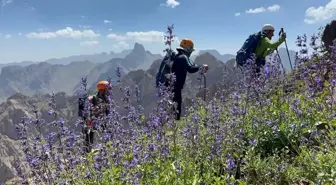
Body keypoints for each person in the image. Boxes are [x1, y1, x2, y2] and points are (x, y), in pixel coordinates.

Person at [170, 38, 208, 120]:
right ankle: (174, 126)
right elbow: (190, 68)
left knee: (173, 106)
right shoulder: (183, 57)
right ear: (188, 49)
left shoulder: (178, 56)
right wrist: (200, 67)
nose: (191, 52)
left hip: (171, 86)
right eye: (191, 50)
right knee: (177, 107)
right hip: (175, 87)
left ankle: (171, 125)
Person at [83, 80, 111, 153]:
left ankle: (108, 150)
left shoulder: (106, 99)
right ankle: (87, 154)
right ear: (102, 90)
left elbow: (107, 112)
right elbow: (86, 112)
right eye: (107, 89)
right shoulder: (93, 99)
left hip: (101, 120)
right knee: (89, 138)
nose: (109, 92)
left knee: (109, 133)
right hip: (91, 121)